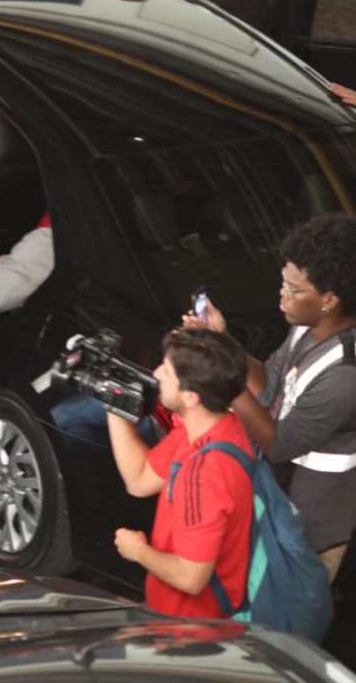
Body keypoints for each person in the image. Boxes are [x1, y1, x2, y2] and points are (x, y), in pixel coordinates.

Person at [193, 214, 356, 580]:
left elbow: (280, 445)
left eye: (294, 290)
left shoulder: (345, 375)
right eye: (283, 283)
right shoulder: (306, 327)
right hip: (280, 493)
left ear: (329, 299)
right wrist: (225, 343)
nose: (282, 295)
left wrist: (226, 378)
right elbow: (269, 384)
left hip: (315, 518)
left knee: (288, 618)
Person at [106, 327, 254, 619]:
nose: (157, 373)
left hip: (192, 629)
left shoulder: (204, 474)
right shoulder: (216, 427)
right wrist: (114, 405)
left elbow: (190, 578)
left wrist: (137, 551)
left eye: (168, 371)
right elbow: (139, 479)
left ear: (190, 397)